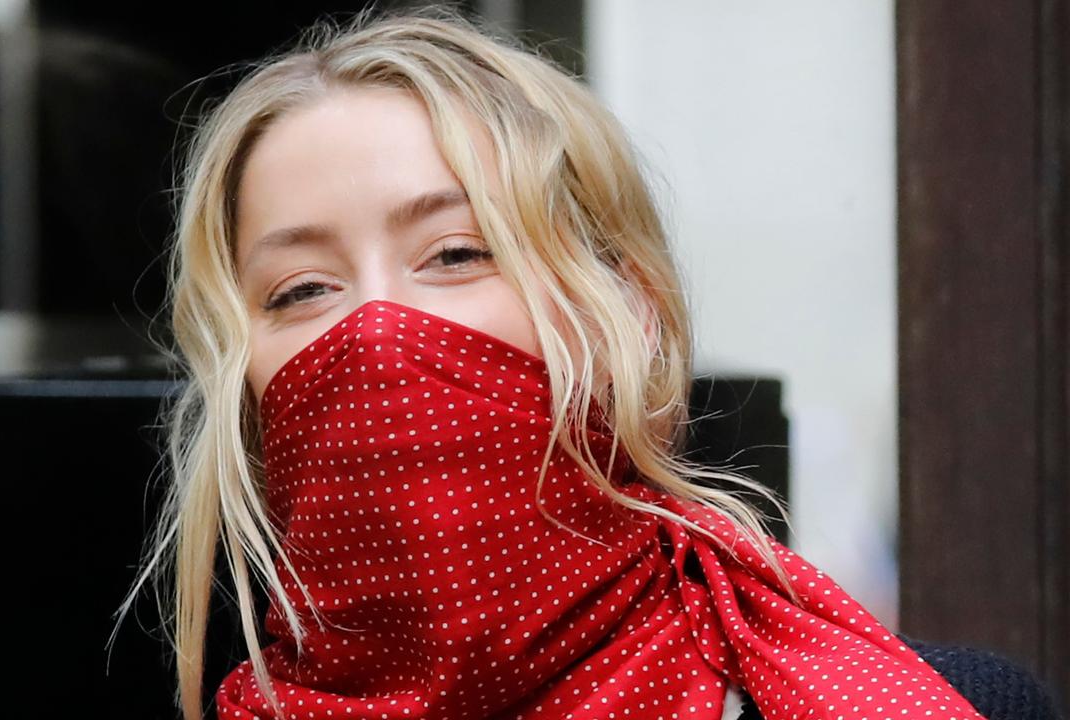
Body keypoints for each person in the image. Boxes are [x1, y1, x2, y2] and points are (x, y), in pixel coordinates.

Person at [120, 5, 1062, 719]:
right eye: (300, 291)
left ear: (631, 316)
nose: (375, 331)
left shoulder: (926, 699)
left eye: (457, 253)